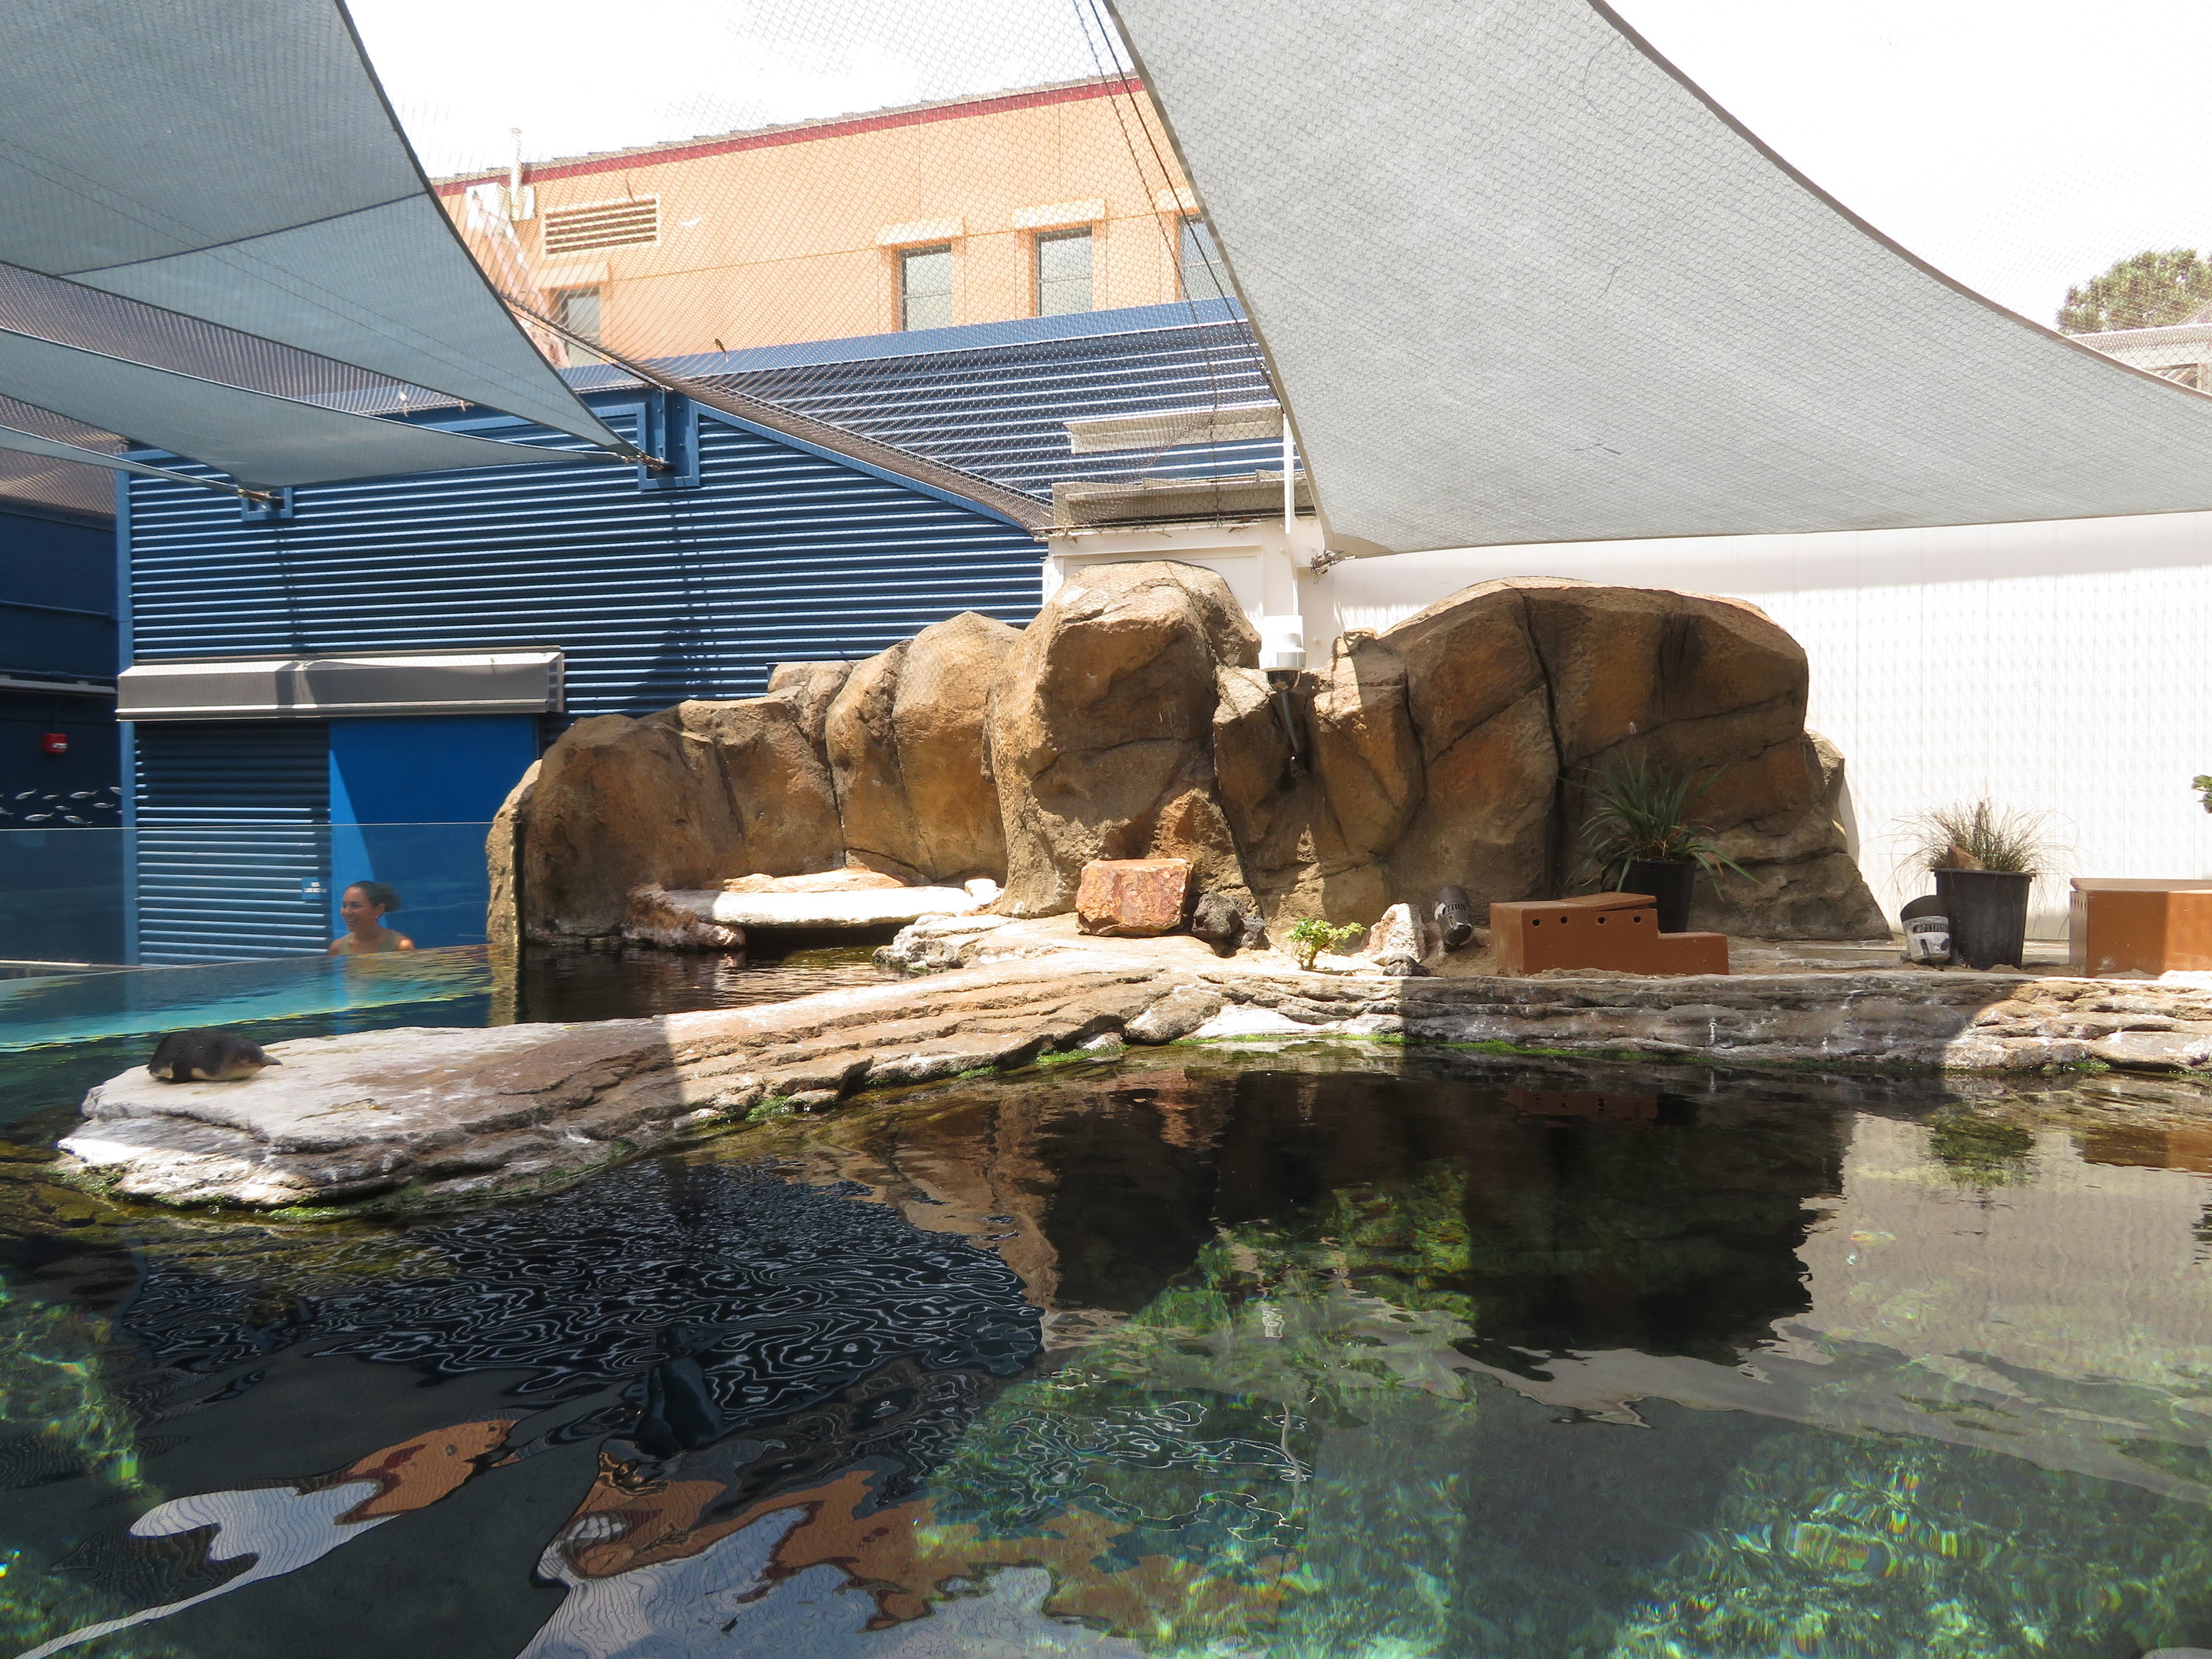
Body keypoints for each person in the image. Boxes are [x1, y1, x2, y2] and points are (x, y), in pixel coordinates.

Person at [328, 880, 416, 955]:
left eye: (356, 906)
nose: (348, 912)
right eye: (344, 905)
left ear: (379, 909)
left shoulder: (400, 946)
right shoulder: (337, 948)